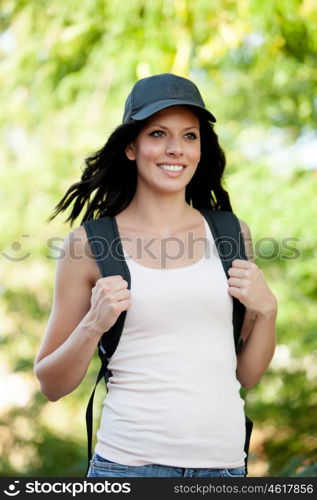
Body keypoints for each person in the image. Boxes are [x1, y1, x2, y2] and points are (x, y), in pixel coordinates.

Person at [34, 73, 277, 478]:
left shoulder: (232, 234)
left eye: (189, 136)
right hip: (128, 469)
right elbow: (51, 385)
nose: (175, 150)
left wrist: (268, 312)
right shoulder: (90, 245)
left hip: (226, 469)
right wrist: (93, 324)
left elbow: (247, 375)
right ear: (131, 146)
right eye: (158, 133)